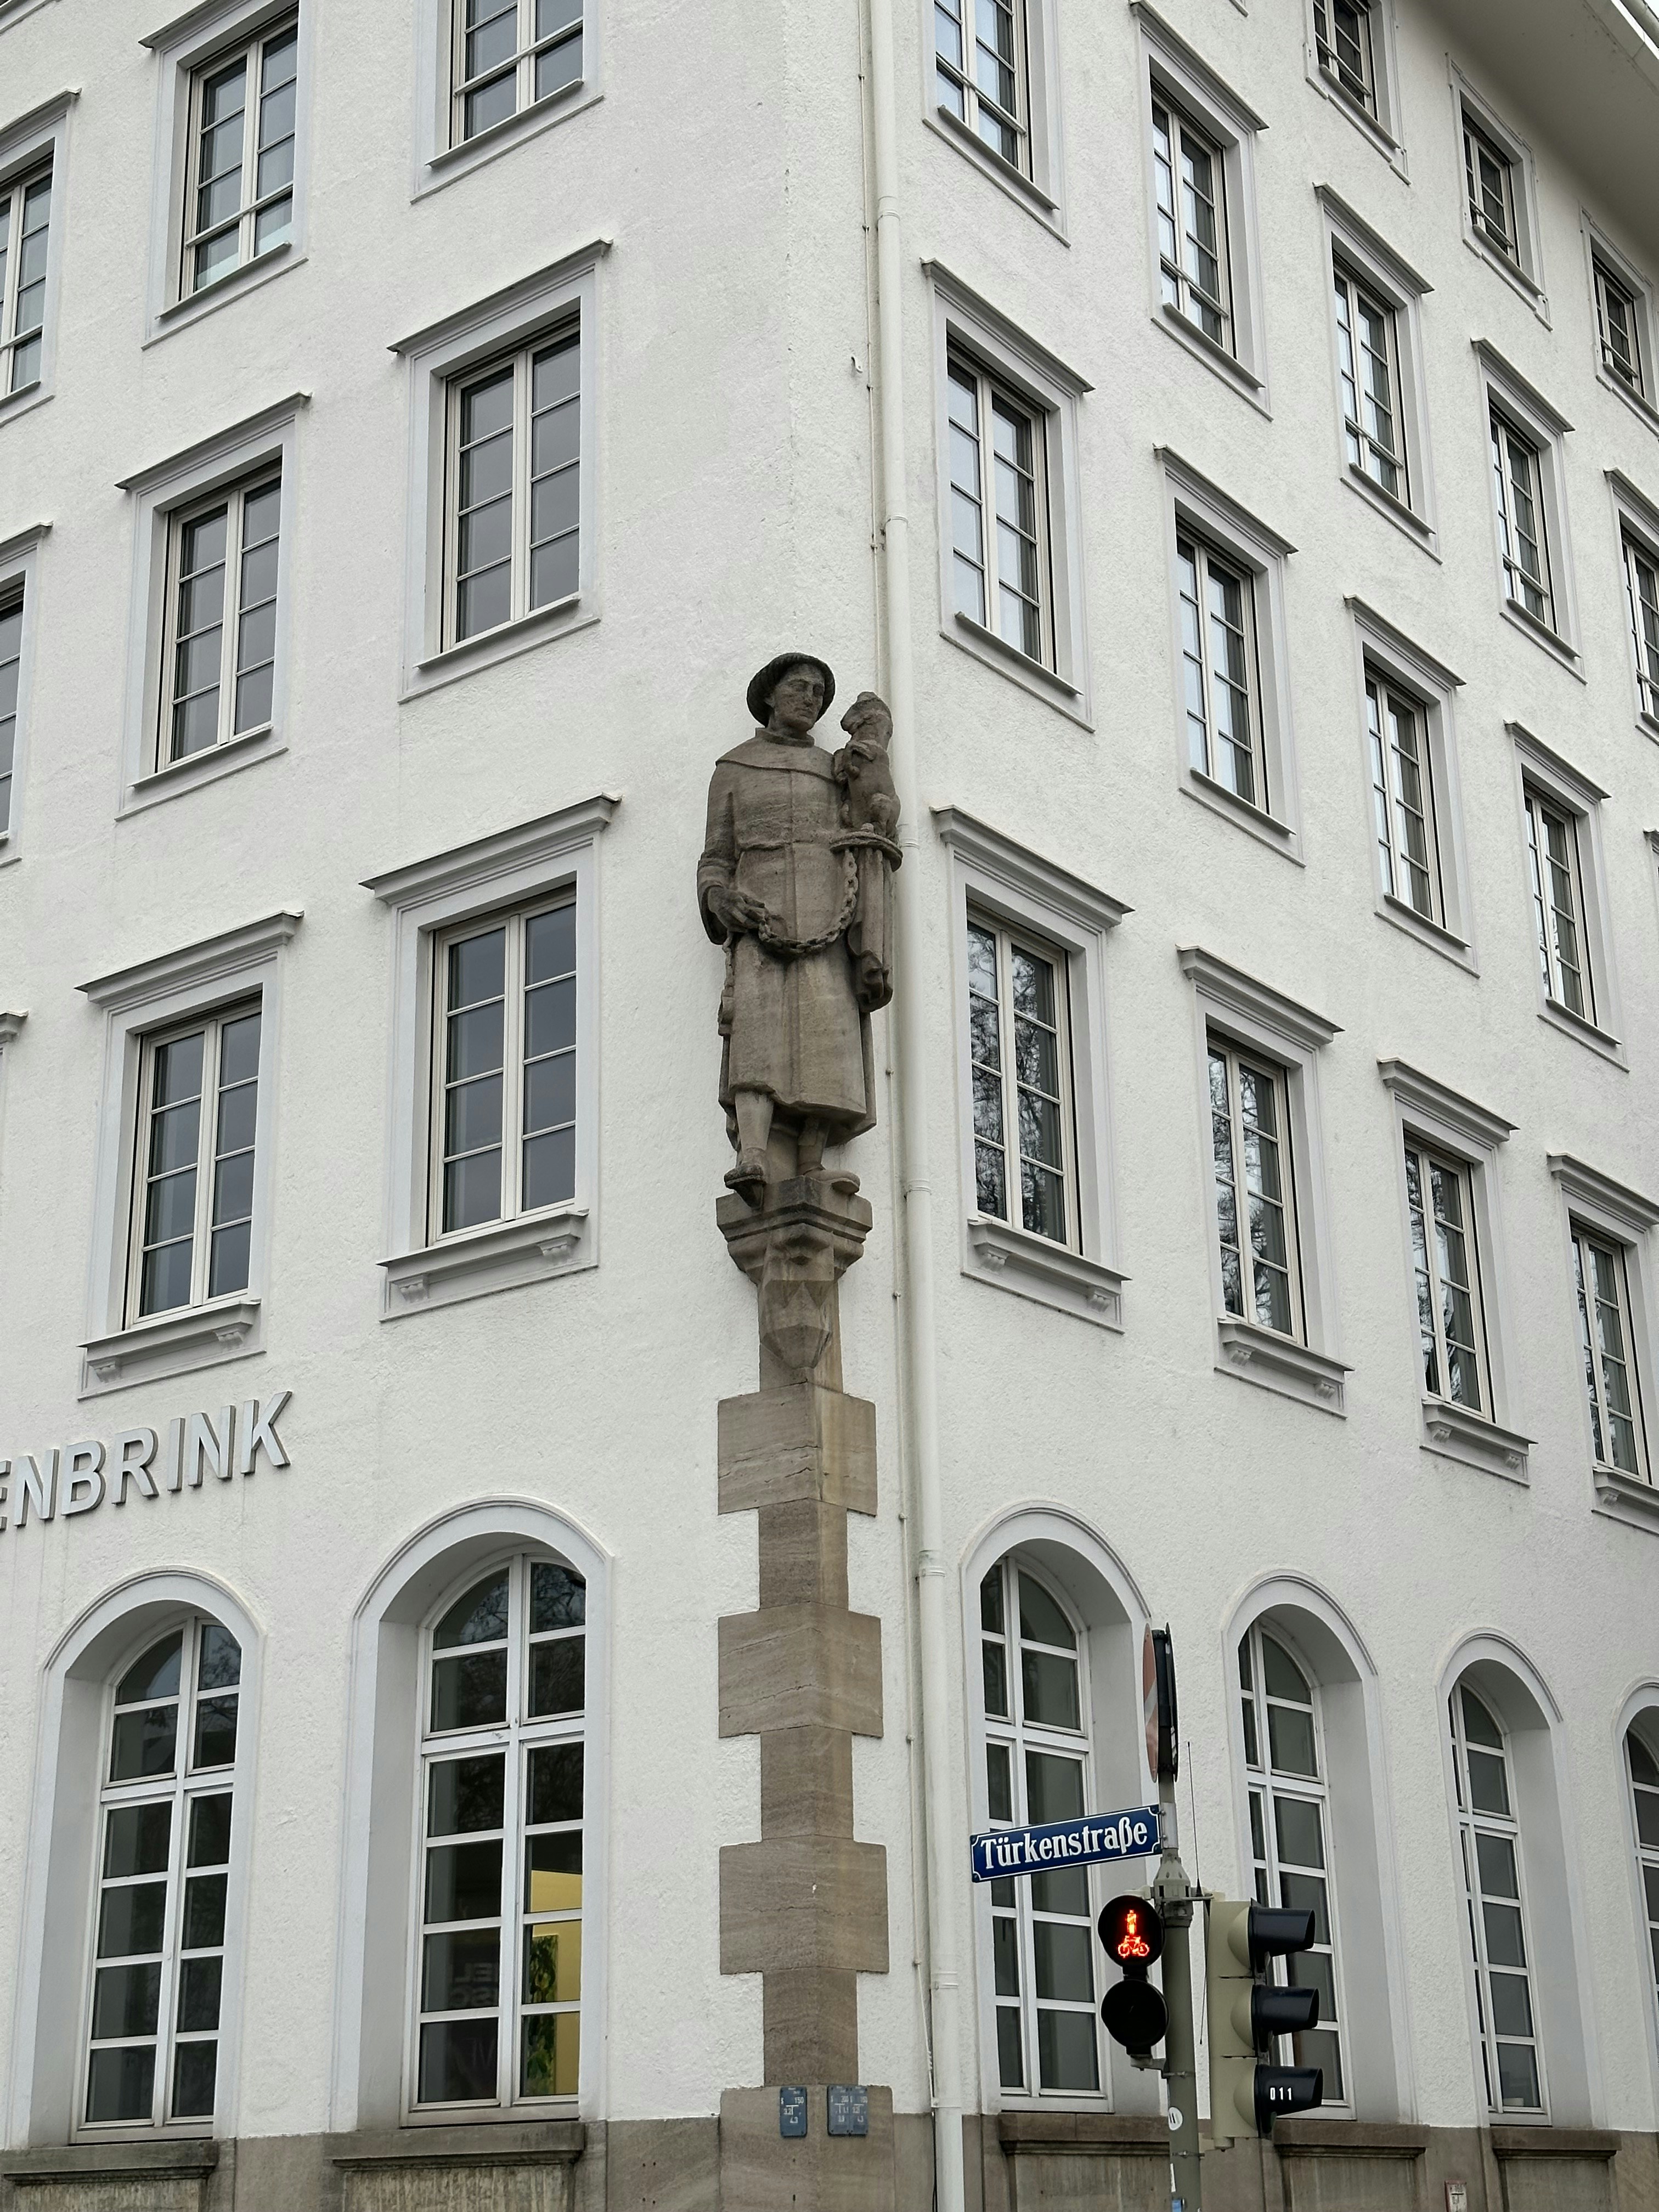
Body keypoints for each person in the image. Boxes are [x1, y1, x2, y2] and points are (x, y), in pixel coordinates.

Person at [697, 654, 897, 1204]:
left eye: (818, 692)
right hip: (760, 911)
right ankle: (755, 1152)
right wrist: (720, 900)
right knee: (757, 1038)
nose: (809, 698)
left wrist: (874, 775)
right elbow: (715, 856)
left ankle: (813, 1156)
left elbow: (873, 822)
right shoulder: (734, 769)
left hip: (828, 907)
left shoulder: (835, 769)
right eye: (799, 687)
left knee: (825, 1034)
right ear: (770, 695)